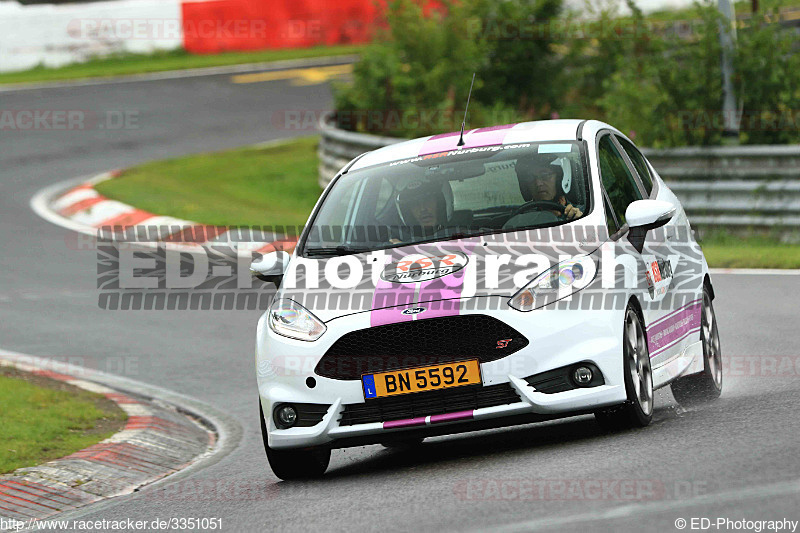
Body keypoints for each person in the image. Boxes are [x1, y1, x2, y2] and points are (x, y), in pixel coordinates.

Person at [514, 157, 583, 220]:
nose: (538, 183)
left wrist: (579, 219)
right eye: (530, 178)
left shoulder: (584, 212)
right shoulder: (522, 219)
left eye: (545, 175)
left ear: (559, 178)